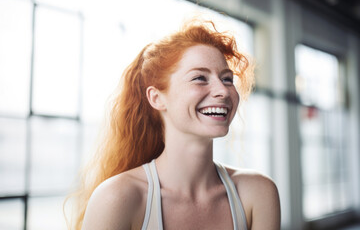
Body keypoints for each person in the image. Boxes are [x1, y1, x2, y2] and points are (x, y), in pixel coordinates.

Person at [70, 17, 280, 230]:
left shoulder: (257, 193)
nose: (223, 91)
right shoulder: (117, 198)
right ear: (157, 98)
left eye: (227, 79)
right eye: (199, 78)